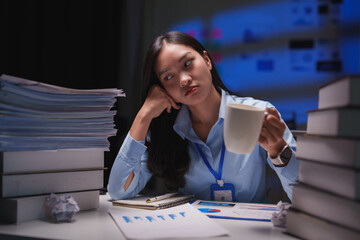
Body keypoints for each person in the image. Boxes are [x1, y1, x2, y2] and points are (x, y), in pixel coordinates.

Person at [108, 31, 299, 203]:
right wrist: (143, 115)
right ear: (163, 89)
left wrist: (277, 150)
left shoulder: (258, 113)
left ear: (207, 60)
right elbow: (119, 192)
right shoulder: (164, 130)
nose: (184, 80)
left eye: (188, 64)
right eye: (168, 77)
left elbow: (304, 197)